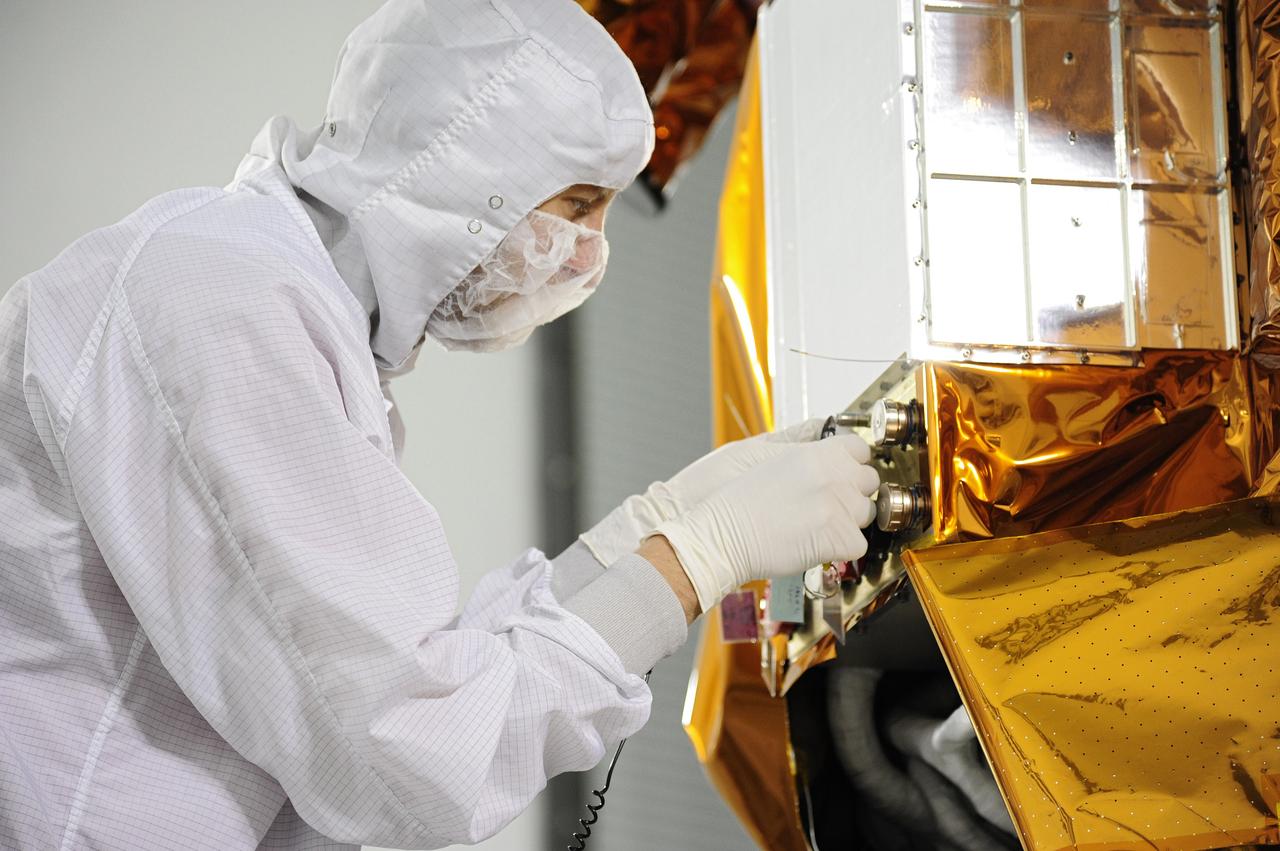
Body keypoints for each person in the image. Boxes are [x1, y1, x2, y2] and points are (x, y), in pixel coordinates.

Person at [0, 1, 878, 848]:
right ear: (466, 174)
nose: (590, 256)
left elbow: (426, 677)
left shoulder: (293, 321)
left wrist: (646, 530)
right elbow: (412, 757)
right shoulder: (223, 306)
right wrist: (696, 555)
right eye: (576, 207)